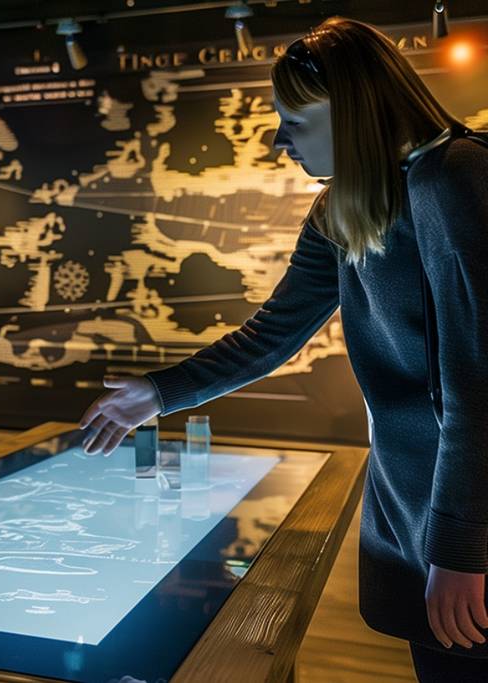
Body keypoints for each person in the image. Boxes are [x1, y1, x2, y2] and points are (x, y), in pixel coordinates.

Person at [80, 17, 488, 683]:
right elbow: (272, 334)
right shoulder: (343, 208)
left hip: (464, 519)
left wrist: (463, 546)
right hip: (416, 510)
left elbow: (478, 383)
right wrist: (156, 392)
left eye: (294, 124)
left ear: (353, 112)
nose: (278, 142)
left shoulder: (455, 177)